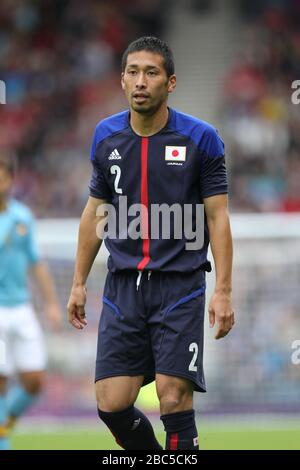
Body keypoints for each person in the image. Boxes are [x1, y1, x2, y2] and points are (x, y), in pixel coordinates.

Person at [67, 36, 235, 451]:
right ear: (122, 80)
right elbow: (95, 212)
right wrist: (76, 282)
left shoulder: (202, 138)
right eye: (133, 72)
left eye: (151, 72)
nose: (141, 81)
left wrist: (224, 291)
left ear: (170, 82)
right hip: (124, 287)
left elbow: (217, 215)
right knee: (111, 403)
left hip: (180, 285)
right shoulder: (105, 136)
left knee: (173, 396)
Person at [0, 157, 62, 451]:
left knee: (35, 380)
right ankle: (3, 441)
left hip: (21, 307)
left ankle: (4, 425)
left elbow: (36, 264)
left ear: (11, 180)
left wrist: (50, 303)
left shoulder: (22, 217)